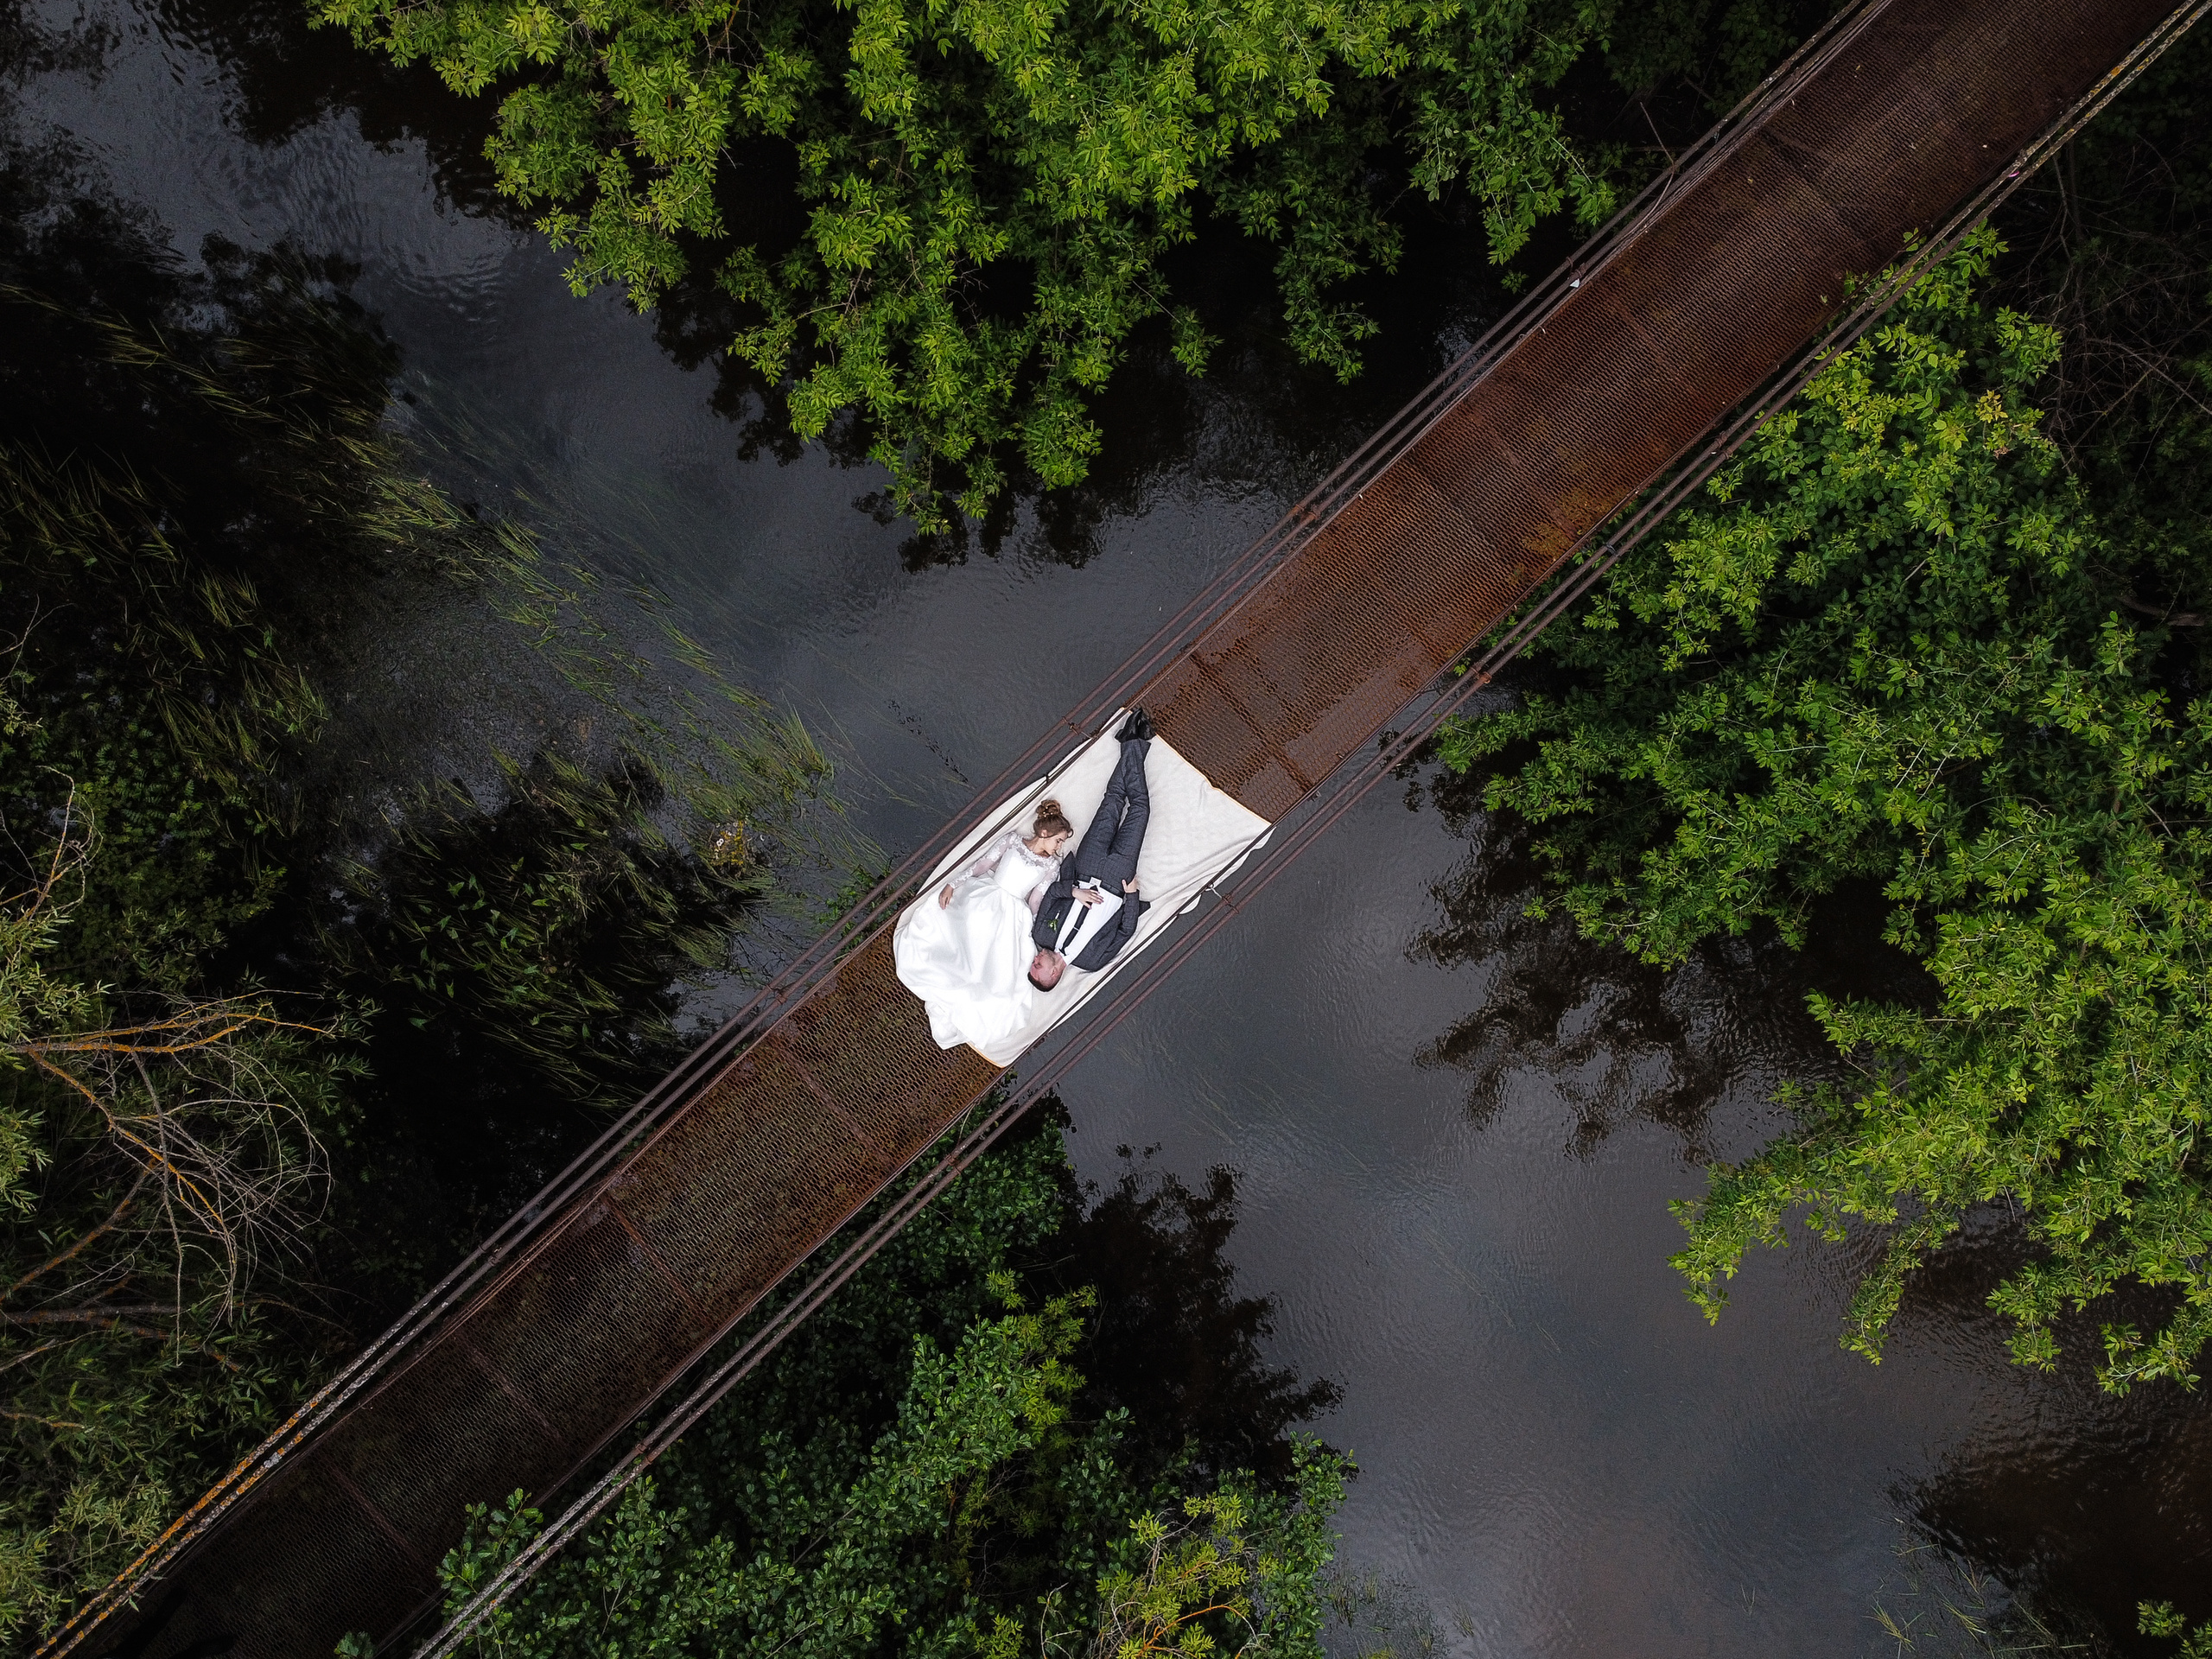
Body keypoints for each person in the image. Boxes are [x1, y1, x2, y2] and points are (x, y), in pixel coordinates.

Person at [894, 796, 1072, 1051]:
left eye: (1062, 843)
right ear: (1044, 832)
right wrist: (952, 884)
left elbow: (1036, 901)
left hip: (1014, 912)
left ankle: (969, 996)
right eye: (1058, 840)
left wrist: (1032, 934)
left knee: (993, 969)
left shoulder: (1051, 866)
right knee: (959, 939)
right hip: (986, 894)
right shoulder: (1012, 840)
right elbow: (982, 865)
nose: (1059, 847)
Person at [1028, 709, 1154, 991]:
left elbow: (1051, 893)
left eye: (1034, 962)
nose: (1036, 958)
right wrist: (1131, 895)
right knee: (1140, 810)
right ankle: (1133, 742)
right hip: (1119, 879)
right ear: (1052, 977)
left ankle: (1135, 741)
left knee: (1112, 802)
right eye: (1038, 966)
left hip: (1086, 867)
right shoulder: (1092, 961)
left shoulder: (1041, 934)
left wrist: (1074, 892)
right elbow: (1125, 930)